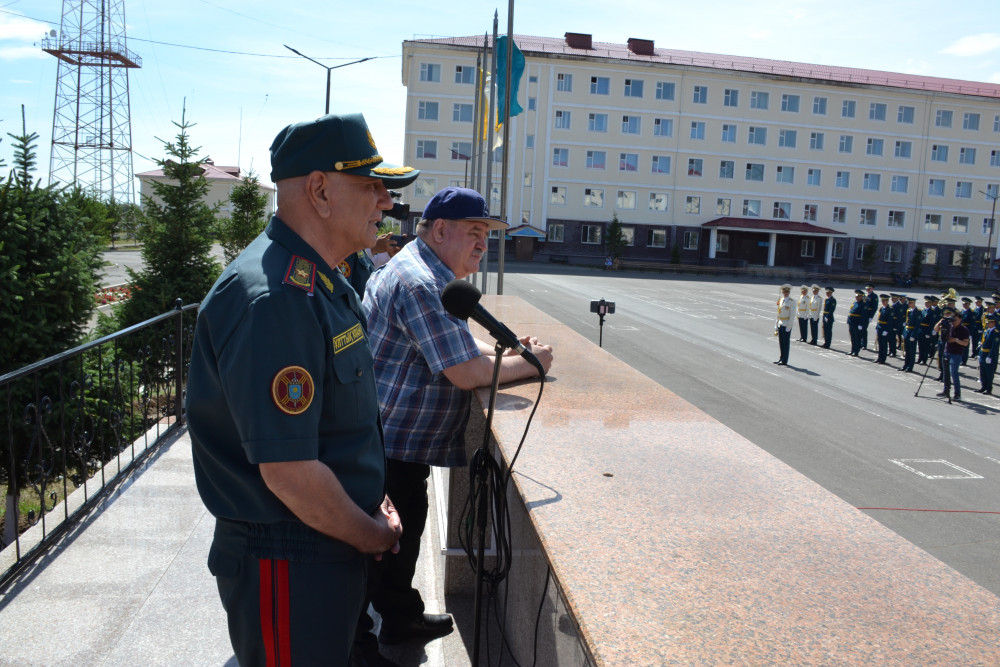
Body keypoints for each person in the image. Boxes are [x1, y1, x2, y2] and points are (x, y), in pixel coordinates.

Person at [185, 112, 418, 665]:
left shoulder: (320, 279)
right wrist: (372, 534)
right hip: (288, 560)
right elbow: (289, 471)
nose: (385, 201)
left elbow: (337, 425)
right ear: (319, 190)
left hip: (320, 546)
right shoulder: (277, 300)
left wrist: (369, 499)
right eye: (371, 185)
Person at [361, 186, 554, 650]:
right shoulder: (421, 283)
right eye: (474, 232)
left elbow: (459, 345)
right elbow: (466, 371)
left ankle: (399, 617)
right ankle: (359, 649)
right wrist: (533, 365)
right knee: (384, 549)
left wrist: (512, 350)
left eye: (487, 234)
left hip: (395, 440)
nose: (483, 244)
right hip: (391, 446)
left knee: (401, 539)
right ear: (441, 230)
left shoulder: (426, 272)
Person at [936, 309, 970, 401]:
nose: (954, 322)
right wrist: (941, 321)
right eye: (953, 320)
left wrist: (955, 340)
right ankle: (946, 390)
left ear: (960, 319)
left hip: (956, 353)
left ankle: (957, 394)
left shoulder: (964, 329)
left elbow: (966, 343)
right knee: (946, 373)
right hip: (947, 351)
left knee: (954, 373)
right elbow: (936, 329)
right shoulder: (949, 326)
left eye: (955, 319)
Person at [976, 314, 998, 395]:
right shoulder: (987, 331)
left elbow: (994, 346)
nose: (987, 324)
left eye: (989, 322)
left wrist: (990, 356)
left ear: (993, 323)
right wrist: (979, 354)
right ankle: (983, 386)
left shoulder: (996, 332)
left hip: (989, 355)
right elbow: (983, 344)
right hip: (983, 354)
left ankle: (989, 389)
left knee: (989, 373)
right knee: (983, 372)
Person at [775, 284, 794, 365]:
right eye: (784, 292)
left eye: (787, 292)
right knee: (781, 342)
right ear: (782, 292)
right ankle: (781, 358)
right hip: (780, 324)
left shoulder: (792, 302)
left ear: (789, 292)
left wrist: (789, 326)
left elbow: (792, 315)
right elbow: (778, 313)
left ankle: (784, 360)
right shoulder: (781, 300)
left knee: (786, 343)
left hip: (786, 325)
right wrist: (776, 325)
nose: (786, 293)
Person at [900, 296, 920, 373]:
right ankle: (905, 365)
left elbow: (917, 325)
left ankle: (910, 367)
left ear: (914, 303)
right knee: (907, 351)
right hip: (907, 332)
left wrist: (913, 335)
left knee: (912, 352)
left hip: (912, 333)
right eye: (908, 302)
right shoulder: (909, 310)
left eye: (910, 302)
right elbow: (907, 322)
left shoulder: (917, 311)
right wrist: (904, 333)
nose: (909, 304)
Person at [875, 294, 892, 364]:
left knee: (884, 344)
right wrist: (877, 327)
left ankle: (883, 359)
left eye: (884, 300)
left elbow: (890, 321)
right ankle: (879, 357)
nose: (883, 302)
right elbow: (879, 319)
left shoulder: (890, 309)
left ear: (887, 301)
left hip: (885, 328)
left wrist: (886, 330)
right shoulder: (881, 308)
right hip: (880, 327)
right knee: (880, 344)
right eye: (882, 300)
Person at [848, 289, 866, 356]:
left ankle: (856, 351)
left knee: (857, 338)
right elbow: (851, 312)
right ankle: (852, 350)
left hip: (857, 323)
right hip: (851, 322)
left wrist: (860, 324)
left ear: (861, 297)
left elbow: (863, 315)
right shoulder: (854, 303)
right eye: (856, 296)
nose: (857, 297)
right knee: (852, 337)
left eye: (859, 296)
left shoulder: (863, 304)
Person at [862, 283, 878, 349]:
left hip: (867, 315)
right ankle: (860, 342)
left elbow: (874, 307)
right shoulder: (864, 295)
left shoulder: (874, 296)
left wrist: (871, 316)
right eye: (867, 289)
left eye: (869, 288)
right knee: (860, 329)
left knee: (864, 329)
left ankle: (864, 344)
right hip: (862, 314)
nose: (867, 290)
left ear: (872, 289)